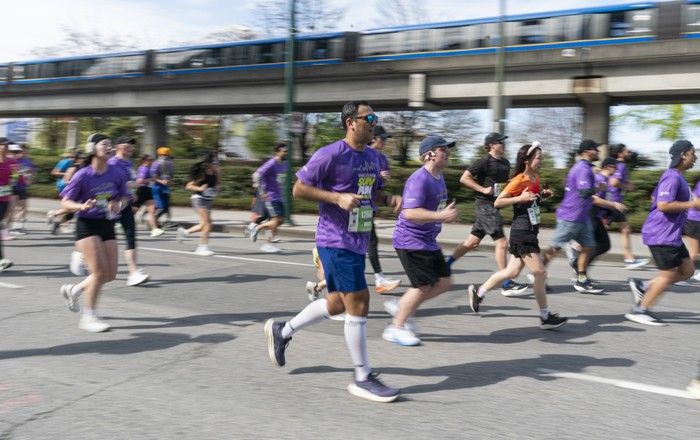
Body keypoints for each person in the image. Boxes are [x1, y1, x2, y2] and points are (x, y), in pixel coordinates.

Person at [264, 100, 402, 403]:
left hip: (357, 238)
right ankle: (362, 376)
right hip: (334, 238)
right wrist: (336, 198)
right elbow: (298, 189)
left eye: (376, 117)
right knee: (360, 301)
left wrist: (388, 197)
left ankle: (282, 330)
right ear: (351, 122)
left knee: (338, 304)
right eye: (370, 117)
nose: (375, 123)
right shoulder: (329, 154)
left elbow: (371, 193)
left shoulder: (375, 159)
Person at [467, 143, 568, 329]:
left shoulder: (535, 178)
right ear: (527, 160)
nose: (541, 161)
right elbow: (498, 202)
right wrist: (519, 198)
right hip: (522, 232)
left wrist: (542, 196)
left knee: (511, 272)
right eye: (538, 158)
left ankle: (479, 292)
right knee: (540, 273)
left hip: (530, 230)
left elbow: (531, 203)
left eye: (541, 158)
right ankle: (545, 317)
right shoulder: (519, 179)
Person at [381, 135, 458, 346]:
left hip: (428, 240)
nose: (448, 152)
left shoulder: (439, 177)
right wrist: (441, 216)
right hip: (410, 240)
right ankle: (395, 328)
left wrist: (444, 215)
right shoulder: (419, 179)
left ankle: (403, 305)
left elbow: (435, 209)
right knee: (422, 286)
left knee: (444, 283)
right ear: (430, 155)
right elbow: (409, 213)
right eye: (444, 149)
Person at [59, 134, 129, 332]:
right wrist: (81, 206)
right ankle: (88, 316)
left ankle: (75, 289)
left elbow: (125, 196)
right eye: (104, 144)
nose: (109, 147)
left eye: (110, 144)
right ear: (93, 148)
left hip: (107, 223)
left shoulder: (117, 172)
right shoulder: (83, 175)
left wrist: (119, 205)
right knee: (98, 273)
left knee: (110, 274)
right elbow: (64, 202)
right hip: (87, 225)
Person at [626, 140, 700, 326]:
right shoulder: (672, 177)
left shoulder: (678, 177)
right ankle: (640, 310)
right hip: (660, 234)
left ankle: (644, 286)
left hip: (671, 234)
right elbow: (663, 205)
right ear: (683, 154)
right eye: (693, 153)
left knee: (688, 270)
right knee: (667, 275)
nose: (695, 157)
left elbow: (655, 196)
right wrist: (693, 204)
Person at [447, 132, 528, 297]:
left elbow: (507, 185)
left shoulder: (505, 162)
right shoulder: (484, 161)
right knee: (502, 243)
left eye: (504, 142)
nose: (503, 145)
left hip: (494, 207)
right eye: (500, 142)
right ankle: (506, 283)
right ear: (491, 144)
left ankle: (444, 265)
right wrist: (482, 189)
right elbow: (464, 178)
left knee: (471, 242)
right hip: (485, 206)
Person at [544, 139, 624, 294]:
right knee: (555, 247)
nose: (598, 152)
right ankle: (537, 274)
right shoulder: (582, 168)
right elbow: (584, 192)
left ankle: (581, 279)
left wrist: (597, 188)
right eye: (596, 149)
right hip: (570, 216)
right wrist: (599, 189)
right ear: (587, 151)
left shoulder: (587, 168)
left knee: (589, 246)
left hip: (582, 217)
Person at [106, 136, 151, 286]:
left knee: (130, 236)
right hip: (112, 204)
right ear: (118, 146)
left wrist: (133, 192)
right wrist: (128, 187)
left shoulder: (128, 163)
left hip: (126, 204)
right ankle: (84, 256)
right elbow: (109, 184)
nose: (130, 147)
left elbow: (130, 182)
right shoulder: (112, 162)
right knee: (103, 237)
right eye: (127, 145)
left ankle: (132, 273)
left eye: (132, 145)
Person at [366, 126, 401, 294]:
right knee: (368, 242)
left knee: (366, 243)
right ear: (373, 138)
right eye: (383, 138)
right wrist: (378, 177)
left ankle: (320, 283)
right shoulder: (361, 154)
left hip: (369, 206)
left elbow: (378, 186)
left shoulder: (382, 158)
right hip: (355, 206)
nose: (385, 141)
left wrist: (383, 181)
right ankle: (379, 278)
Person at [607, 144, 649, 269]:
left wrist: (627, 183)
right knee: (599, 231)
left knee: (625, 229)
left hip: (614, 201)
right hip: (613, 203)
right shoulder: (620, 165)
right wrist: (626, 186)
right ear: (620, 153)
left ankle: (629, 259)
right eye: (626, 151)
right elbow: (613, 182)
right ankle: (576, 248)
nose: (629, 152)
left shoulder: (617, 165)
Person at [177, 151, 218, 256]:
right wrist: (200, 188)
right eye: (214, 161)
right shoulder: (202, 173)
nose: (216, 163)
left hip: (208, 200)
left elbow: (217, 185)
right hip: (198, 199)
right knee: (207, 223)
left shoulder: (215, 172)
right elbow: (188, 186)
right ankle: (202, 247)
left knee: (205, 224)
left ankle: (184, 232)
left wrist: (216, 189)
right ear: (209, 162)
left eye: (217, 161)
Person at [250, 143, 288, 253]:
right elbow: (256, 175)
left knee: (280, 220)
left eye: (286, 151)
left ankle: (257, 229)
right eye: (283, 151)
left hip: (280, 196)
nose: (285, 153)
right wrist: (261, 191)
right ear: (277, 152)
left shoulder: (284, 164)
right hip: (271, 196)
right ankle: (263, 238)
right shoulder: (271, 163)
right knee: (275, 220)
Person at [48, 149, 81, 235]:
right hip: (65, 188)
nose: (83, 159)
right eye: (81, 157)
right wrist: (67, 176)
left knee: (71, 211)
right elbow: (56, 173)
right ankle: (55, 216)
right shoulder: (69, 164)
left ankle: (57, 222)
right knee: (71, 208)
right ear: (76, 157)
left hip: (74, 190)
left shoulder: (80, 166)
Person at [132, 154, 165, 237]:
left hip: (148, 190)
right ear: (144, 161)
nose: (151, 161)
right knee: (134, 210)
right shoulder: (143, 169)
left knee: (152, 210)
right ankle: (120, 221)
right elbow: (139, 181)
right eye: (149, 160)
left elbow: (153, 179)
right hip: (142, 190)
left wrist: (158, 180)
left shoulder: (149, 168)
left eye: (152, 160)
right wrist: (149, 180)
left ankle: (154, 229)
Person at [8, 144, 35, 234]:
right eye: (22, 152)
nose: (24, 153)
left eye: (26, 152)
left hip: (22, 187)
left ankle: (17, 226)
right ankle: (8, 228)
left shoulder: (27, 162)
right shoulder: (11, 160)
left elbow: (31, 172)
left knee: (23, 207)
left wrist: (29, 179)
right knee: (12, 207)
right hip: (12, 187)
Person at [0, 137, 18, 270]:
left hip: (4, 199)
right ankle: (1, 260)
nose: (6, 148)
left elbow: (16, 177)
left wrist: (16, 177)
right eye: (3, 145)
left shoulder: (12, 162)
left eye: (7, 146)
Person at [681, 176, 700, 282]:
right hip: (695, 221)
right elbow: (696, 203)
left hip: (695, 221)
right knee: (693, 252)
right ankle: (682, 277)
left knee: (696, 251)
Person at [151, 147, 174, 228]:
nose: (165, 156)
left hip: (166, 187)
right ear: (159, 154)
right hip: (157, 187)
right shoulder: (156, 163)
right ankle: (153, 223)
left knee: (166, 206)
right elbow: (153, 177)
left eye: (166, 154)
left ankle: (166, 222)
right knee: (160, 207)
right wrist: (162, 181)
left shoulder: (170, 163)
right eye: (163, 154)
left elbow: (171, 175)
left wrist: (170, 181)